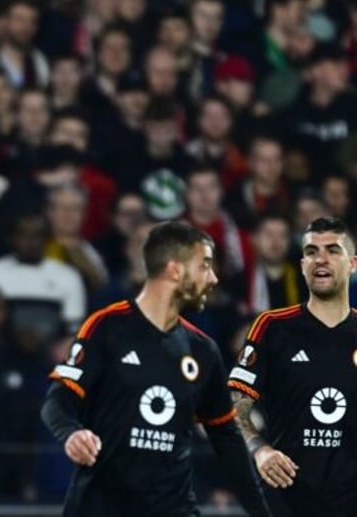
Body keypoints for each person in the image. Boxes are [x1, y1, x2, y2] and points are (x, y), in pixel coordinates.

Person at [41, 221, 271, 517]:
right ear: (175, 270)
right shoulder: (107, 326)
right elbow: (57, 401)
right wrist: (71, 433)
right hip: (103, 506)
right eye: (204, 266)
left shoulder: (203, 350)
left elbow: (226, 439)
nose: (213, 278)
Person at [229, 216, 357, 516]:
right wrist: (259, 450)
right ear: (302, 266)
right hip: (287, 500)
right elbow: (234, 405)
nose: (320, 259)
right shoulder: (272, 326)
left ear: (352, 264)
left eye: (332, 250)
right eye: (311, 252)